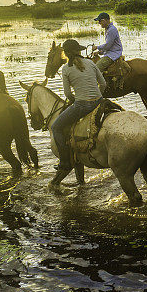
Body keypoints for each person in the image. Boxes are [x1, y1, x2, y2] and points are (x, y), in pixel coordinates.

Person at [50, 39, 106, 184]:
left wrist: (78, 99)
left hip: (82, 105)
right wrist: (97, 97)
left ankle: (64, 162)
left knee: (56, 127)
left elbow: (68, 94)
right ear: (79, 50)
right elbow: (103, 84)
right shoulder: (91, 63)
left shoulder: (66, 69)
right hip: (100, 102)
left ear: (66, 54)